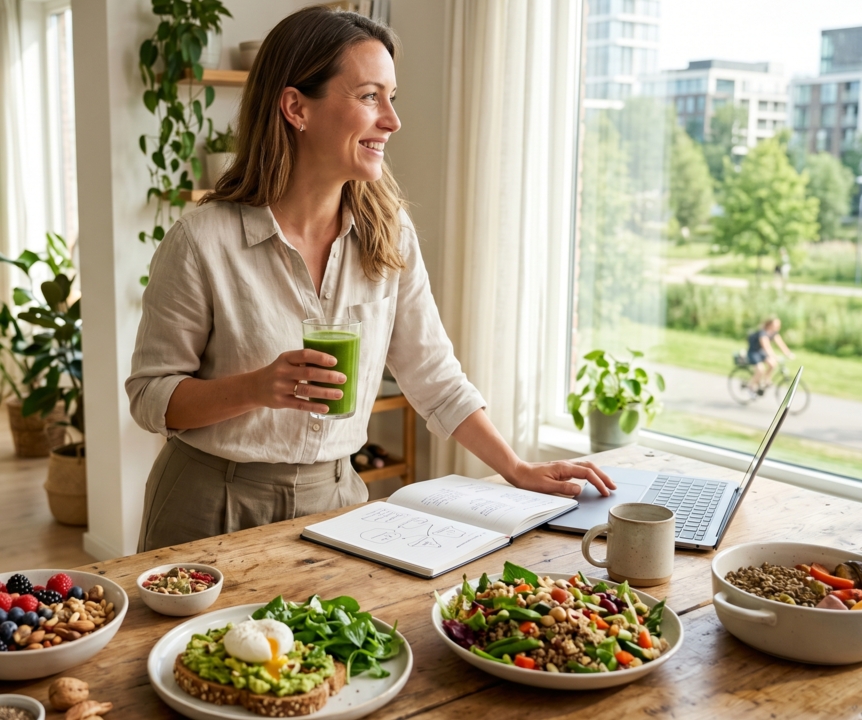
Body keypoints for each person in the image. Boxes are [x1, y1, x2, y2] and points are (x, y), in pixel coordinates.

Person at [125, 7, 614, 552]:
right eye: (369, 96)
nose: (392, 120)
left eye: (392, 97)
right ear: (296, 108)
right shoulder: (201, 240)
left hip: (335, 501)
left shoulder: (389, 234)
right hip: (209, 505)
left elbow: (433, 376)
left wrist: (516, 467)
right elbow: (151, 397)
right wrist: (258, 387)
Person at [746, 318, 795, 394]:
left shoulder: (774, 333)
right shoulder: (762, 333)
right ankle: (751, 387)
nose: (778, 326)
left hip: (761, 352)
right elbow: (766, 346)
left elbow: (781, 344)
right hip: (753, 352)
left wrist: (788, 353)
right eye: (776, 325)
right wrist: (773, 356)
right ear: (770, 325)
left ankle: (766, 380)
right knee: (760, 370)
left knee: (772, 364)